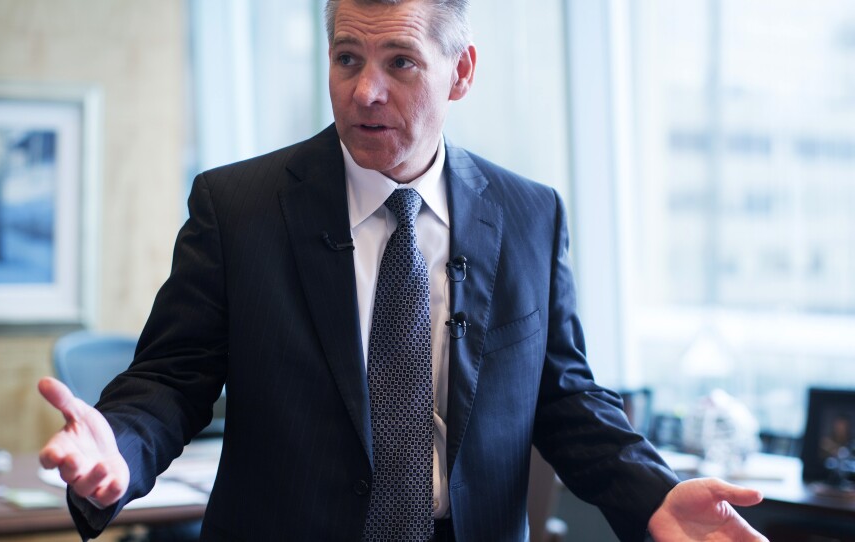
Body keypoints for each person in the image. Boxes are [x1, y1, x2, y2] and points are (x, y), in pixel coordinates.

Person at [38, 0, 768, 540]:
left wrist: (653, 493)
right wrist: (119, 449)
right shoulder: (240, 208)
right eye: (347, 58)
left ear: (462, 72)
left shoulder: (529, 215)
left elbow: (565, 397)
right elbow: (171, 378)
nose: (366, 92)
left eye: (401, 62)